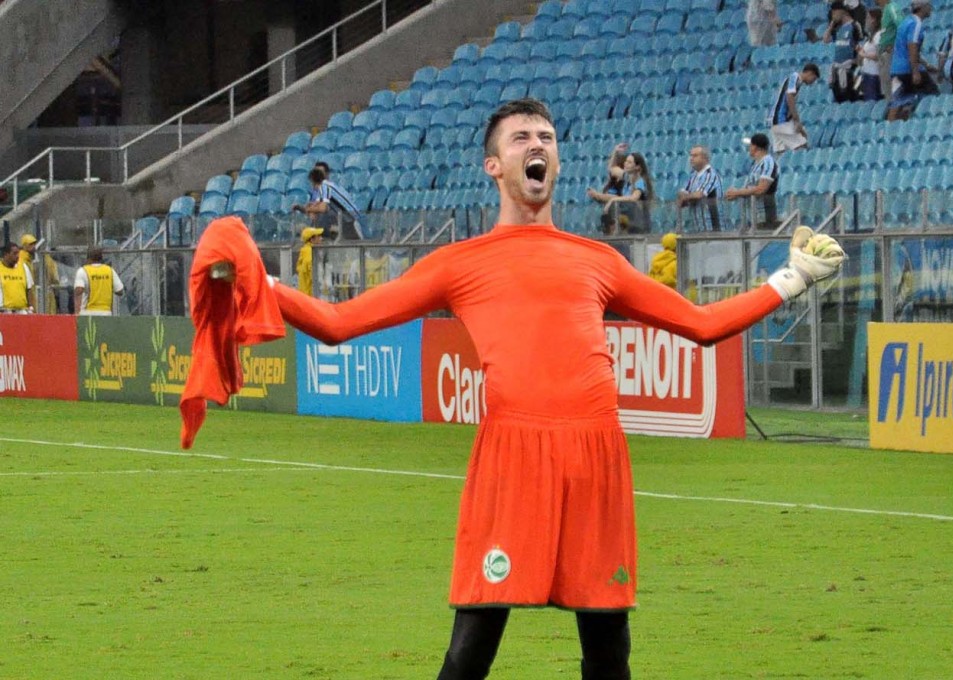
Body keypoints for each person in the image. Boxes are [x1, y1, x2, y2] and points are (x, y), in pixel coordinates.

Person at [186, 98, 845, 679]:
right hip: (510, 458)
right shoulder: (459, 262)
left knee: (609, 649)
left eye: (547, 138)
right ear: (493, 167)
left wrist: (789, 280)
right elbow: (336, 323)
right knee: (472, 647)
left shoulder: (598, 261)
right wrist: (259, 284)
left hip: (596, 458)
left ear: (558, 163)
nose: (537, 146)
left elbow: (700, 326)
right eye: (521, 138)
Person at [887, 0, 940, 121]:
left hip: (897, 68)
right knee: (933, 95)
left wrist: (925, 64)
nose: (931, 8)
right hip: (908, 69)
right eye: (928, 6)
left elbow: (904, 48)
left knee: (900, 99)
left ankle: (893, 127)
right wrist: (915, 71)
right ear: (922, 7)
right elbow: (912, 46)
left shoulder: (905, 22)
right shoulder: (916, 23)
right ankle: (929, 121)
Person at [292, 164, 365, 240]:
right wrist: (301, 208)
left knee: (358, 247)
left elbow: (322, 208)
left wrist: (309, 210)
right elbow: (317, 207)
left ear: (313, 181)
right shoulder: (324, 187)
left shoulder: (325, 186)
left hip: (352, 220)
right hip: (346, 222)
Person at [725, 133, 781, 230]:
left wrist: (738, 192)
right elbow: (750, 187)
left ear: (755, 147)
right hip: (753, 217)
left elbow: (761, 189)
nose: (749, 148)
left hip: (764, 216)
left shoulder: (768, 162)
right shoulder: (755, 165)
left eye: (750, 146)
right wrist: (736, 193)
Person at [767, 63, 820, 154]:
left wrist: (799, 128)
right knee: (802, 146)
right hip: (780, 119)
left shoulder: (797, 83)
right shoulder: (794, 77)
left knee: (781, 152)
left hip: (775, 120)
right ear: (810, 73)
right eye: (813, 79)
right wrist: (797, 121)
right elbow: (789, 96)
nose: (812, 82)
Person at [601, 151, 655, 234]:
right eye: (626, 161)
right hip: (628, 221)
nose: (625, 164)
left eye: (629, 162)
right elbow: (611, 170)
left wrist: (614, 199)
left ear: (637, 167)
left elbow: (634, 198)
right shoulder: (627, 177)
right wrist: (615, 152)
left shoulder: (640, 181)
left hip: (638, 224)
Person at [823, 1, 865, 102]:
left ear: (842, 11)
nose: (833, 15)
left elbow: (861, 45)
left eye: (834, 12)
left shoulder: (855, 25)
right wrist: (831, 25)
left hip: (849, 68)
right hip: (837, 68)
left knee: (850, 97)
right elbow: (825, 39)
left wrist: (858, 65)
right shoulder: (837, 28)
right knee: (838, 97)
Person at [676, 145, 724, 231]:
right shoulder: (693, 176)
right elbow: (682, 192)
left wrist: (686, 197)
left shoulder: (711, 175)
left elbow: (699, 195)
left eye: (695, 156)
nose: (691, 158)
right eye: (691, 155)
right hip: (699, 227)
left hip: (713, 229)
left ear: (704, 158)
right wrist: (686, 196)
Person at [586, 143, 628, 234]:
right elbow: (610, 168)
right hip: (607, 217)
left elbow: (615, 198)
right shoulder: (610, 182)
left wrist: (598, 195)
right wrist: (596, 196)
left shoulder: (623, 182)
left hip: (619, 217)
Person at [74, 246, 125, 316]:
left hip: (87, 312)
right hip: (106, 313)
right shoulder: (110, 271)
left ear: (88, 258)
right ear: (101, 258)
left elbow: (79, 291)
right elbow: (120, 291)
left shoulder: (83, 271)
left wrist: (76, 312)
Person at [18, 233, 59, 313]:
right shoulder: (22, 260)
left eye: (34, 244)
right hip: (31, 292)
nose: (33, 246)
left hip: (46, 290)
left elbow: (53, 274)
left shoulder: (43, 257)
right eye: (30, 244)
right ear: (24, 246)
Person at [857, 8, 884, 101]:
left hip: (874, 75)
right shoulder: (870, 36)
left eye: (868, 18)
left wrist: (864, 55)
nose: (866, 21)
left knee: (872, 102)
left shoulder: (879, 35)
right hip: (867, 73)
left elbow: (880, 56)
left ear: (874, 19)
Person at [877, 0, 902, 99]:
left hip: (890, 52)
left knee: (891, 84)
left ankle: (896, 108)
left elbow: (901, 26)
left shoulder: (892, 7)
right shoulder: (885, 10)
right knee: (886, 85)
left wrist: (895, 44)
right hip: (883, 52)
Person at [0, 242, 34, 313]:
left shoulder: (23, 267)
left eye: (18, 253)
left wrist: (31, 308)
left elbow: (29, 289)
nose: (17, 256)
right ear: (6, 254)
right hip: (4, 311)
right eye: (14, 253)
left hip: (22, 311)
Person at [296, 226, 324, 296]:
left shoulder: (305, 251)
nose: (321, 238)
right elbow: (314, 275)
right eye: (319, 236)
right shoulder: (310, 253)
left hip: (304, 295)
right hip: (310, 295)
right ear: (312, 239)